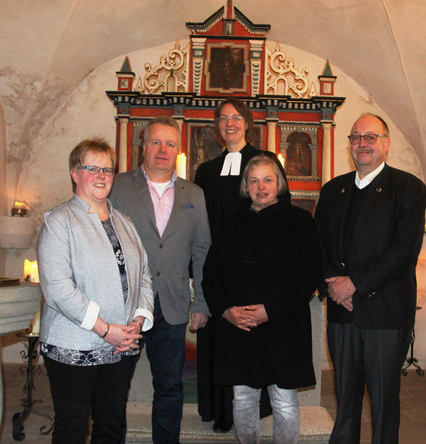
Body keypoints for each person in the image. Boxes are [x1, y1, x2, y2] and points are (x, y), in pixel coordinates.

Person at [315, 113, 426, 444]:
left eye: (370, 137)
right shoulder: (333, 189)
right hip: (342, 312)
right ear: (349, 144)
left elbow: (404, 249)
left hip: (386, 313)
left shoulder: (408, 188)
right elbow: (317, 246)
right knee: (345, 399)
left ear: (386, 143)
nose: (362, 144)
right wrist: (332, 285)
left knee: (383, 401)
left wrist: (354, 284)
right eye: (356, 137)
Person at [37, 137, 154, 443]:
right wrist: (105, 329)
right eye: (93, 168)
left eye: (108, 169)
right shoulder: (58, 222)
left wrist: (136, 324)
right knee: (73, 428)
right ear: (75, 173)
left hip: (120, 346)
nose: (102, 176)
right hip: (74, 346)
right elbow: (58, 289)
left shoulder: (125, 222)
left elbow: (144, 277)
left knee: (111, 425)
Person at [202, 155, 320, 444]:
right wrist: (225, 310)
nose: (261, 186)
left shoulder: (300, 221)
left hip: (283, 327)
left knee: (284, 401)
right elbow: (211, 275)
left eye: (268, 179)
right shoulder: (230, 224)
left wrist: (271, 310)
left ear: (279, 183)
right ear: (245, 186)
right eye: (253, 180)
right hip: (239, 328)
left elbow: (308, 276)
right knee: (242, 398)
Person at [109, 116, 211, 444]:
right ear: (143, 145)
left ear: (178, 150)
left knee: (169, 387)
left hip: (172, 304)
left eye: (169, 143)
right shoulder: (117, 186)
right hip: (124, 306)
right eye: (155, 142)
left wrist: (203, 303)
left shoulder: (194, 193)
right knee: (115, 386)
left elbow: (202, 250)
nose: (162, 149)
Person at [194, 98, 288, 432]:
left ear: (247, 123)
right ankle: (221, 413)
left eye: (236, 117)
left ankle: (252, 416)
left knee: (251, 345)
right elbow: (198, 222)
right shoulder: (205, 171)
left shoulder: (263, 163)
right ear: (217, 127)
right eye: (223, 118)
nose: (229, 123)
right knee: (219, 340)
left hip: (254, 272)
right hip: (218, 269)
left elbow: (280, 216)